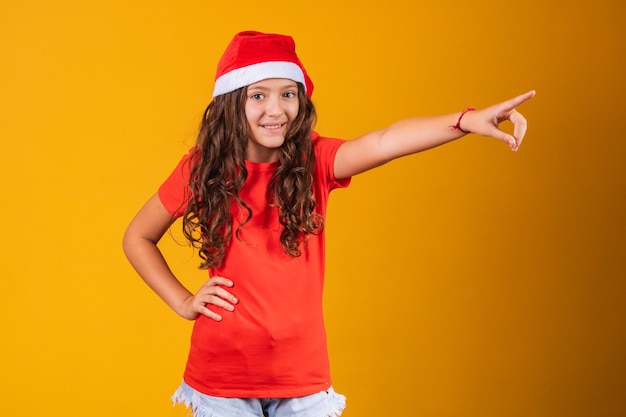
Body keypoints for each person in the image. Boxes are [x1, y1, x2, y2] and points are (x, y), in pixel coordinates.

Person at [122, 30, 535, 417]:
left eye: (287, 94)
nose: (276, 109)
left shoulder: (314, 160)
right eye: (258, 96)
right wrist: (183, 302)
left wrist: (463, 121)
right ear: (232, 102)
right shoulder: (202, 168)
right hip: (221, 377)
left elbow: (385, 141)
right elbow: (137, 237)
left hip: (302, 377)